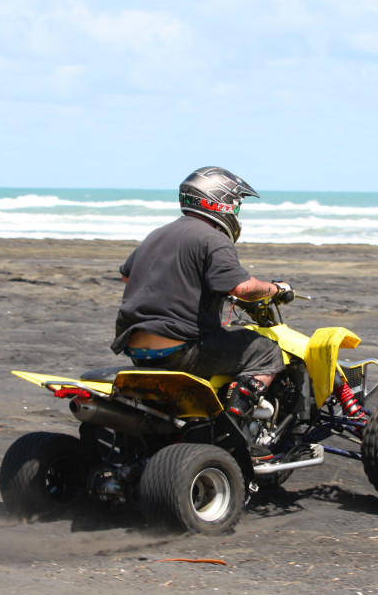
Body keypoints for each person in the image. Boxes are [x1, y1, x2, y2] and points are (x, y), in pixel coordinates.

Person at [110, 166, 294, 457]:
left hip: (136, 348)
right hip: (182, 348)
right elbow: (242, 288)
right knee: (267, 352)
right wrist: (276, 288)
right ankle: (232, 438)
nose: (236, 210)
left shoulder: (157, 234)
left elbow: (127, 276)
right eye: (235, 204)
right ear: (218, 201)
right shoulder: (212, 238)